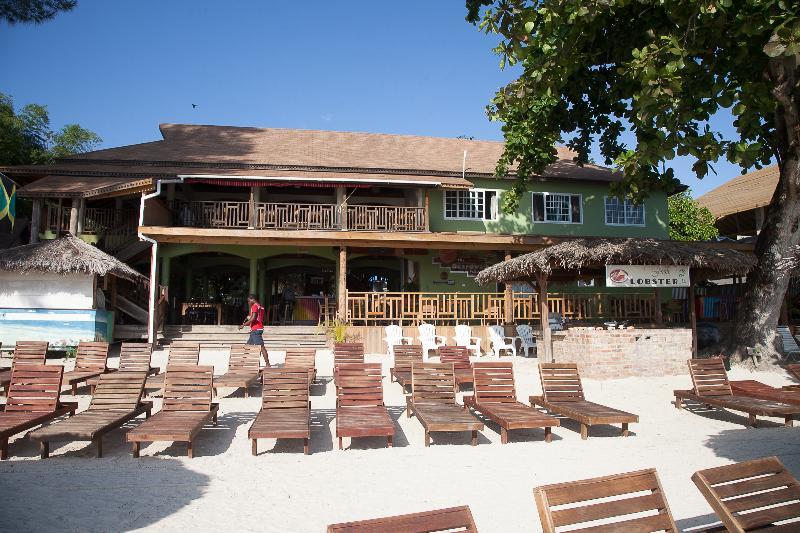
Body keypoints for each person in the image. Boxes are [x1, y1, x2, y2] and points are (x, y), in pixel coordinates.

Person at [239, 293, 270, 367]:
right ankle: (242, 363)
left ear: (253, 299)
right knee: (247, 346)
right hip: (256, 329)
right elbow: (264, 318)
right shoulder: (261, 307)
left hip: (256, 329)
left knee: (261, 347)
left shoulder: (254, 306)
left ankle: (268, 364)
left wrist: (243, 325)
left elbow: (253, 318)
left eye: (249, 301)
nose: (248, 303)